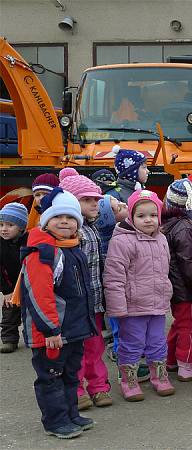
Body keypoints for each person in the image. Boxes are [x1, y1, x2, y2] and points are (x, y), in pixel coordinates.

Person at [20, 188, 97, 439]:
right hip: (52, 332)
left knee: (70, 374)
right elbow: (39, 294)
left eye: (70, 217)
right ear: (46, 221)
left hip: (73, 329)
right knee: (51, 377)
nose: (64, 222)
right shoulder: (43, 251)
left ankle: (70, 414)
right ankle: (55, 421)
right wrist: (50, 330)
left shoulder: (73, 247)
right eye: (57, 217)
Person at [104, 190, 175, 400]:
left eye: (153, 215)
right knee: (131, 344)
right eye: (141, 215)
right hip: (132, 307)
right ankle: (129, 381)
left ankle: (160, 377)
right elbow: (114, 277)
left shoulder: (162, 239)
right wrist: (117, 308)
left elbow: (165, 270)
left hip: (157, 304)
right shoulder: (122, 242)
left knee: (157, 342)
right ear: (131, 217)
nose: (148, 220)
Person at [58, 169, 113, 410]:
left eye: (96, 200)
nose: (94, 204)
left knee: (95, 347)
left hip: (95, 301)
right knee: (76, 350)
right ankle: (77, 389)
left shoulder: (92, 228)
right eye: (86, 200)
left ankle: (99, 386)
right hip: (74, 304)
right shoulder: (71, 233)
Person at [161, 180, 192, 381]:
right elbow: (189, 262)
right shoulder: (183, 227)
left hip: (174, 286)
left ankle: (171, 359)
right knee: (187, 326)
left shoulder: (168, 224)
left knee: (179, 324)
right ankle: (188, 365)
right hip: (184, 288)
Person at [0, 203, 28, 353]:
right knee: (9, 312)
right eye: (1, 224)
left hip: (29, 284)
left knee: (32, 313)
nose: (4, 229)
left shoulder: (28, 241)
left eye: (10, 225)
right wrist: (6, 291)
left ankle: (33, 337)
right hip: (10, 286)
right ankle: (9, 339)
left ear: (21, 228)